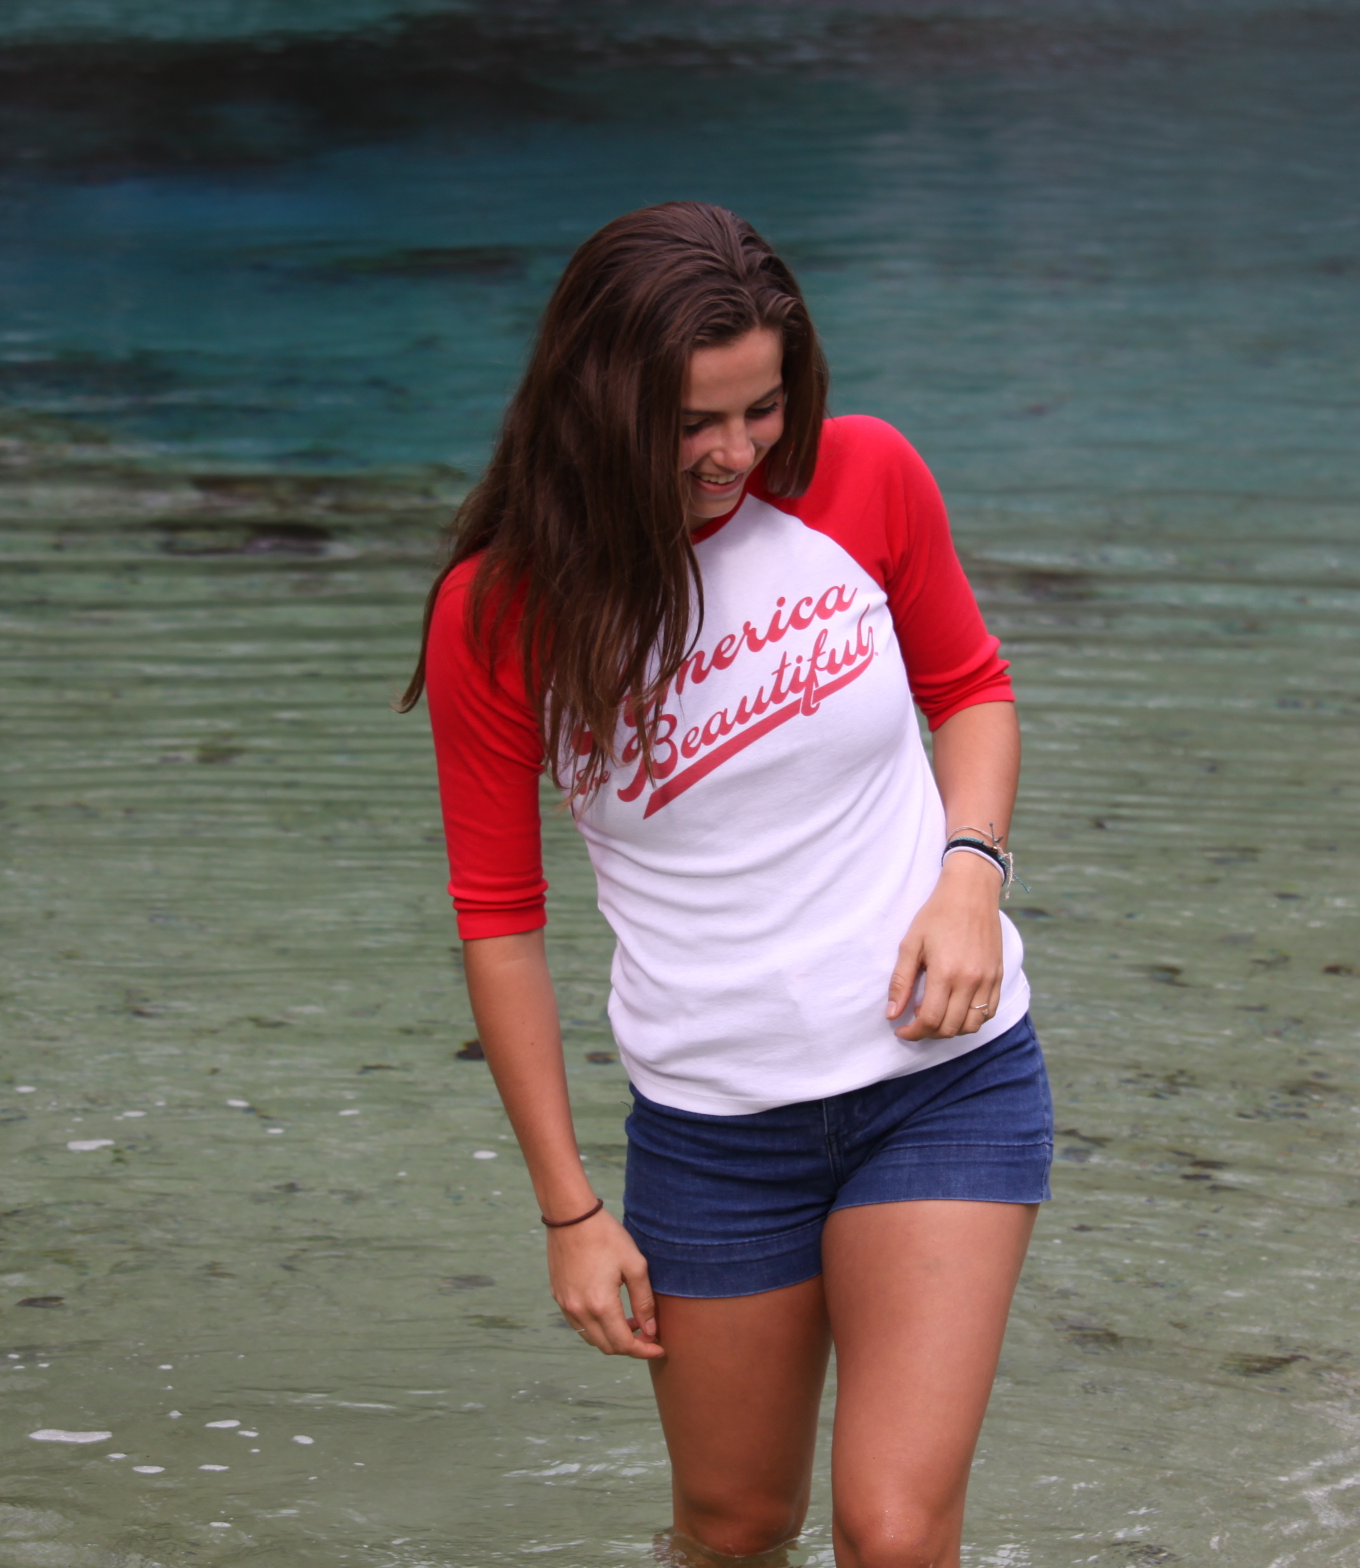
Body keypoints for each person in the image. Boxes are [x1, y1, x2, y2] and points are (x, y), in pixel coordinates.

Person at [400, 201, 1049, 1568]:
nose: (738, 452)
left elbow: (972, 689)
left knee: (891, 1532)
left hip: (941, 1084)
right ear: (598, 404)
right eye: (693, 421)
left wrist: (970, 880)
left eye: (763, 407)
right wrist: (570, 1211)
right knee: (734, 1528)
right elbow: (499, 922)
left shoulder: (866, 477)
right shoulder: (501, 614)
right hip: (713, 1134)